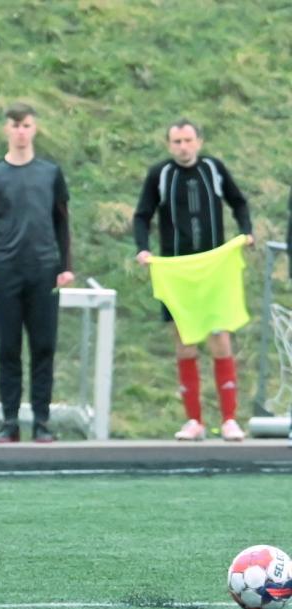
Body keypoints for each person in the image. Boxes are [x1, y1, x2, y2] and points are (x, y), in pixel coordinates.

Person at [134, 118, 253, 442]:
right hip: (177, 273)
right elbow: (142, 215)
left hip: (214, 270)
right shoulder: (160, 174)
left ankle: (229, 419)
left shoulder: (214, 169)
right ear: (169, 145)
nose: (183, 147)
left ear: (199, 141)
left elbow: (238, 202)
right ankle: (194, 421)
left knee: (220, 339)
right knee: (184, 343)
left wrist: (247, 231)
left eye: (188, 140)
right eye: (177, 142)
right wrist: (142, 249)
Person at [0, 102, 75, 443]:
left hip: (44, 270)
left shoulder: (50, 173)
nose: (21, 131)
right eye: (15, 125)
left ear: (35, 128)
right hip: (4, 271)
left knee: (43, 347)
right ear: (7, 128)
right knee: (7, 348)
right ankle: (9, 421)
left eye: (26, 125)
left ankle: (42, 421)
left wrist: (65, 266)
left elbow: (62, 222)